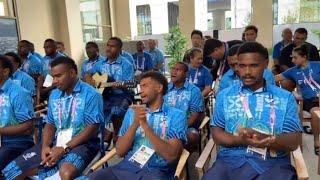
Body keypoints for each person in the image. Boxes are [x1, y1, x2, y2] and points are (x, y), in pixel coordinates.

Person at [203, 42, 302, 180]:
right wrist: (242, 140)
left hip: (272, 163)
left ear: (265, 64)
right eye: (242, 66)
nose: (247, 72)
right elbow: (217, 132)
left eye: (254, 65)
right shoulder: (225, 95)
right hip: (230, 162)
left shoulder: (284, 98)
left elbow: (293, 140)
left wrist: (267, 139)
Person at [3, 56, 104, 180]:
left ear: (72, 73)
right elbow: (50, 124)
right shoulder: (55, 95)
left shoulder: (91, 94)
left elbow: (92, 128)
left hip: (83, 143)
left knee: (66, 173)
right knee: (12, 171)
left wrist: (64, 148)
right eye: (53, 76)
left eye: (58, 76)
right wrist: (45, 146)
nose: (54, 81)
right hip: (56, 141)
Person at [81, 71, 187, 180]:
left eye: (145, 86)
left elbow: (171, 156)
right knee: (93, 177)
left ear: (159, 88)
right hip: (127, 167)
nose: (140, 90)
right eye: (140, 86)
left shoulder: (177, 115)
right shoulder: (132, 112)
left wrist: (145, 126)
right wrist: (135, 124)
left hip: (157, 171)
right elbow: (120, 152)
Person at [84, 37, 135, 145]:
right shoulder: (100, 63)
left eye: (112, 46)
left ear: (119, 49)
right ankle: (105, 134)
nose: (108, 48)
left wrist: (110, 84)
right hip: (104, 95)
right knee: (91, 109)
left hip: (122, 95)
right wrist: (90, 81)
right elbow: (88, 73)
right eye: (108, 45)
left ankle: (116, 134)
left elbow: (129, 84)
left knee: (116, 110)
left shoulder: (126, 64)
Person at [275, 44, 320, 155]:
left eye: (295, 57)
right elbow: (275, 78)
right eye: (292, 57)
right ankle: (316, 142)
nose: (293, 60)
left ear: (304, 57)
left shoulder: (317, 65)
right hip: (310, 101)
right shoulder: (293, 71)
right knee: (316, 113)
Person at [0, 55, 34, 176]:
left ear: (5, 71)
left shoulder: (18, 93)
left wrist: (1, 131)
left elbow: (28, 127)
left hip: (16, 143)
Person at [165, 62, 204, 152]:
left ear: (186, 74)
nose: (173, 72)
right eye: (173, 69)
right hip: (164, 125)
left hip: (185, 126)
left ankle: (183, 160)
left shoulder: (194, 91)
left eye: (177, 70)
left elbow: (194, 115)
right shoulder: (165, 89)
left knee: (192, 135)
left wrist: (178, 128)